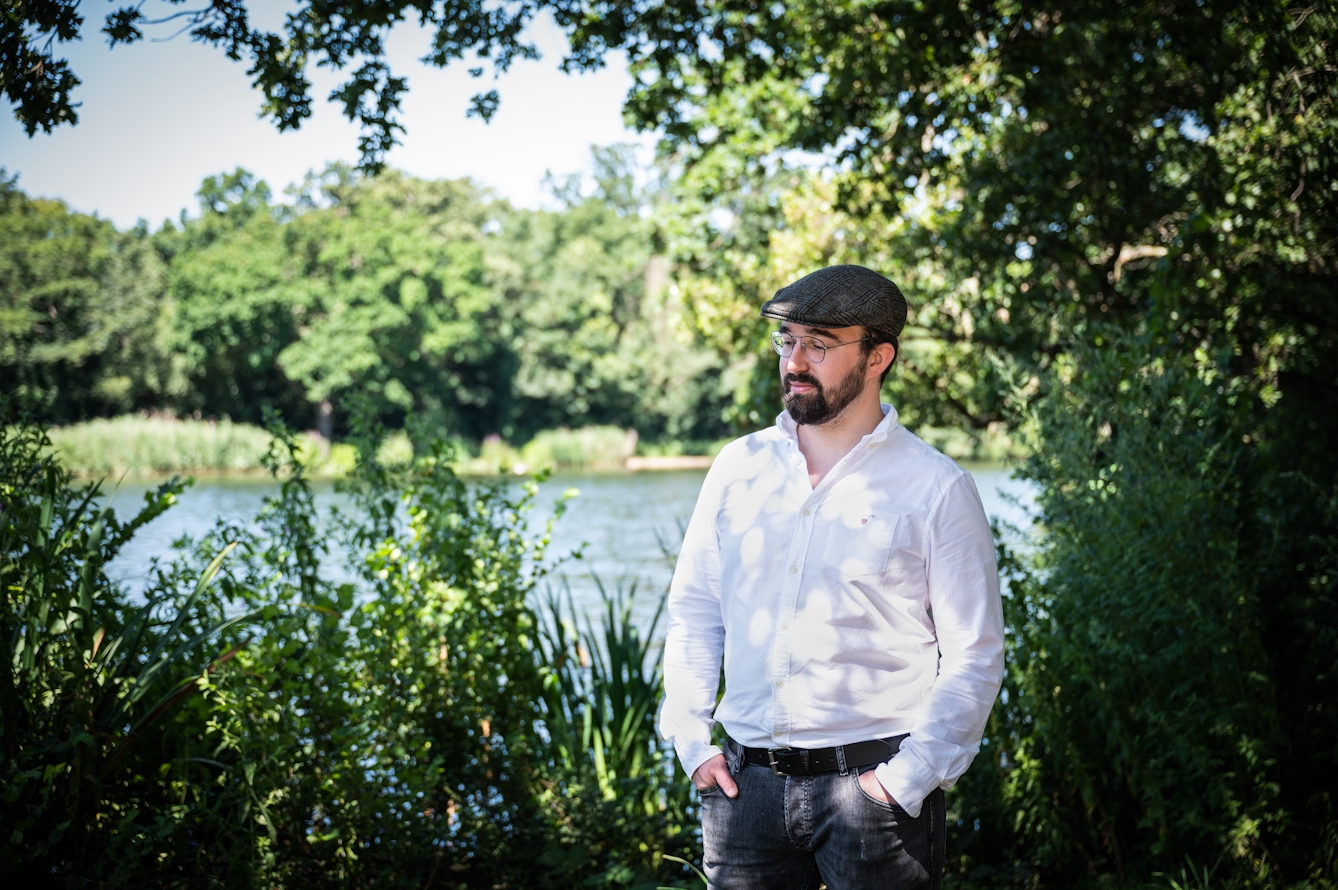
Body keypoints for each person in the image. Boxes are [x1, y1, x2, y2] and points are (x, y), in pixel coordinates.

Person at [658, 264, 1005, 890]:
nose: (795, 361)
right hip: (745, 794)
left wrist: (904, 781)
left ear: (878, 357)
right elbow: (695, 613)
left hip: (876, 799)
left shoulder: (936, 487)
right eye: (787, 341)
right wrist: (691, 740)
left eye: (819, 345)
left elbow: (974, 653)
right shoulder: (739, 469)